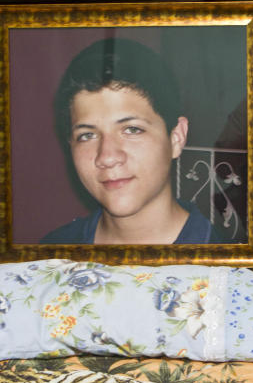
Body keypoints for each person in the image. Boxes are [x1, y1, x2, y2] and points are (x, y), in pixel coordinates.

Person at [41, 38, 221, 244]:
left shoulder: (230, 268)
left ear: (176, 137)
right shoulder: (50, 256)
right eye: (87, 135)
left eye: (132, 129)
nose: (107, 157)